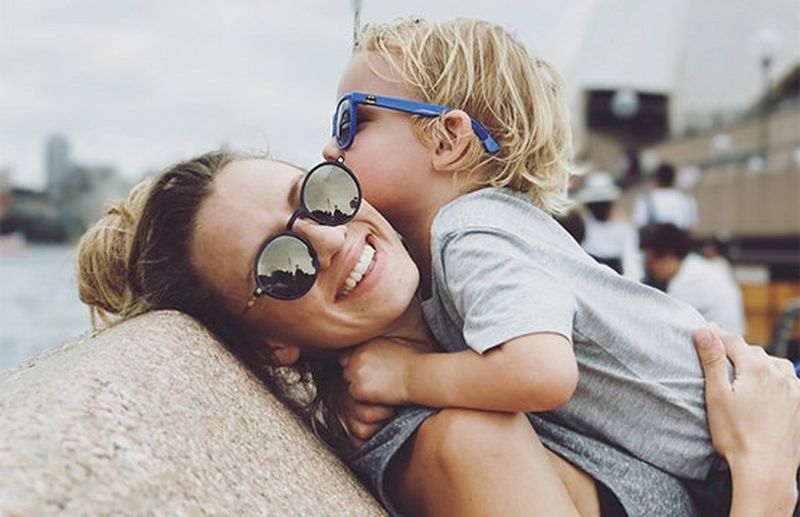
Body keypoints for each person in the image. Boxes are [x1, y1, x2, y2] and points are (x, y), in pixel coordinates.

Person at [76, 152, 799, 517]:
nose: (328, 238)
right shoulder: (459, 441)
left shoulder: (483, 340)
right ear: (271, 345)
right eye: (283, 263)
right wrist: (766, 474)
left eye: (320, 194)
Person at [319, 17, 791, 515]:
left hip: (739, 435)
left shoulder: (471, 234)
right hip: (722, 444)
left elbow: (539, 371)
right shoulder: (485, 231)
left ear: (447, 138)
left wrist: (406, 376)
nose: (331, 148)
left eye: (351, 122)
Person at [640, 223, 745, 334]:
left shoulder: (687, 282)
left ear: (668, 256)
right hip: (731, 338)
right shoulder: (696, 266)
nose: (651, 268)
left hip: (724, 346)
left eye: (651, 261)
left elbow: (665, 327)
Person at [576, 171, 642, 279]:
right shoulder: (581, 227)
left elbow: (631, 265)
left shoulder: (623, 229)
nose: (600, 208)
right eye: (596, 205)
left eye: (603, 204)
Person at [632, 163, 698, 231]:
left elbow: (639, 225)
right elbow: (690, 227)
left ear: (656, 180)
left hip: (656, 240)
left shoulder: (645, 200)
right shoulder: (687, 200)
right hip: (679, 239)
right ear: (674, 179)